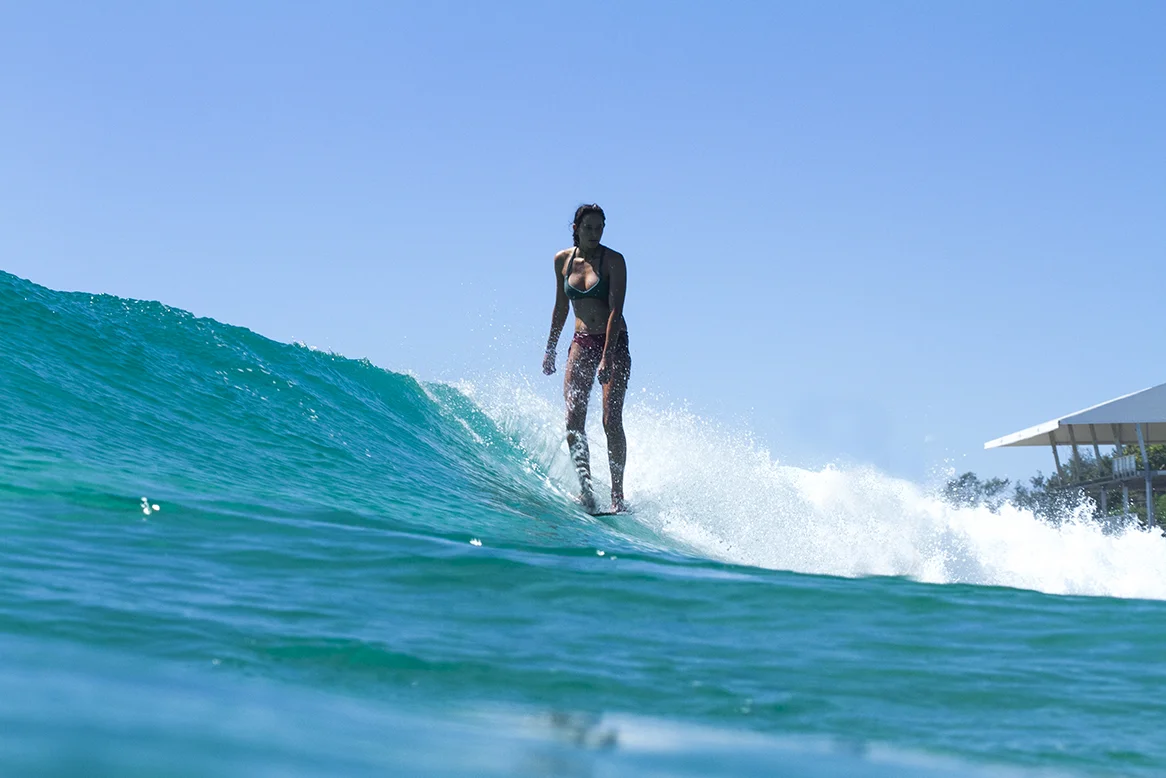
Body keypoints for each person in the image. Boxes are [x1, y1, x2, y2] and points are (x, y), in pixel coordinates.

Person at [542, 204, 631, 514]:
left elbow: (615, 311)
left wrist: (607, 357)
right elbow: (561, 308)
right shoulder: (562, 262)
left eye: (600, 227)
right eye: (589, 228)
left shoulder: (613, 261)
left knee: (610, 420)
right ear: (576, 228)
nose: (595, 233)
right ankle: (587, 491)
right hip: (580, 341)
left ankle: (617, 496)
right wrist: (551, 348)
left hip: (613, 342)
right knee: (572, 420)